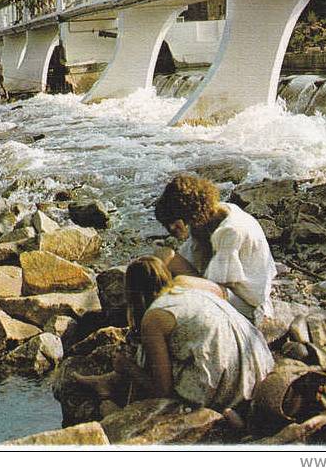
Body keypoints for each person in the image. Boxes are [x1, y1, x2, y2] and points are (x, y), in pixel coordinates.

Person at [72, 256, 274, 410]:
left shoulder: (154, 318)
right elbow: (222, 292)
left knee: (143, 354)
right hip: (261, 365)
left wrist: (128, 368)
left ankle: (111, 385)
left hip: (233, 389)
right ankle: (110, 382)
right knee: (162, 349)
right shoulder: (186, 285)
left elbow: (163, 390)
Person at [152, 174, 277, 324]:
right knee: (164, 257)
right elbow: (190, 257)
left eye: (174, 224)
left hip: (246, 305)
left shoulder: (231, 230)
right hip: (222, 288)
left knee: (180, 282)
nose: (172, 229)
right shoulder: (214, 213)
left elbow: (217, 282)